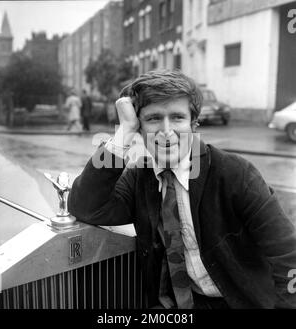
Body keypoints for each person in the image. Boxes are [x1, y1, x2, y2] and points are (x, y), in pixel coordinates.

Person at [68, 70, 296, 309]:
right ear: (140, 128)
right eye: (153, 119)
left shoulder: (235, 174)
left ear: (193, 123)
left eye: (177, 118)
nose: (167, 131)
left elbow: (289, 255)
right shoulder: (139, 178)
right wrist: (123, 131)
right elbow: (85, 206)